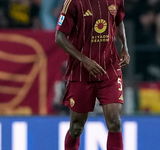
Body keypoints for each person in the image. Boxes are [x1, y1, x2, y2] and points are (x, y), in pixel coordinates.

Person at [55, 0, 130, 149]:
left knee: (114, 121)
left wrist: (124, 47)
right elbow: (59, 37)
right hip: (81, 72)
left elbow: (119, 22)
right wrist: (85, 60)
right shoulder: (73, 3)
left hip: (109, 68)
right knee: (76, 127)